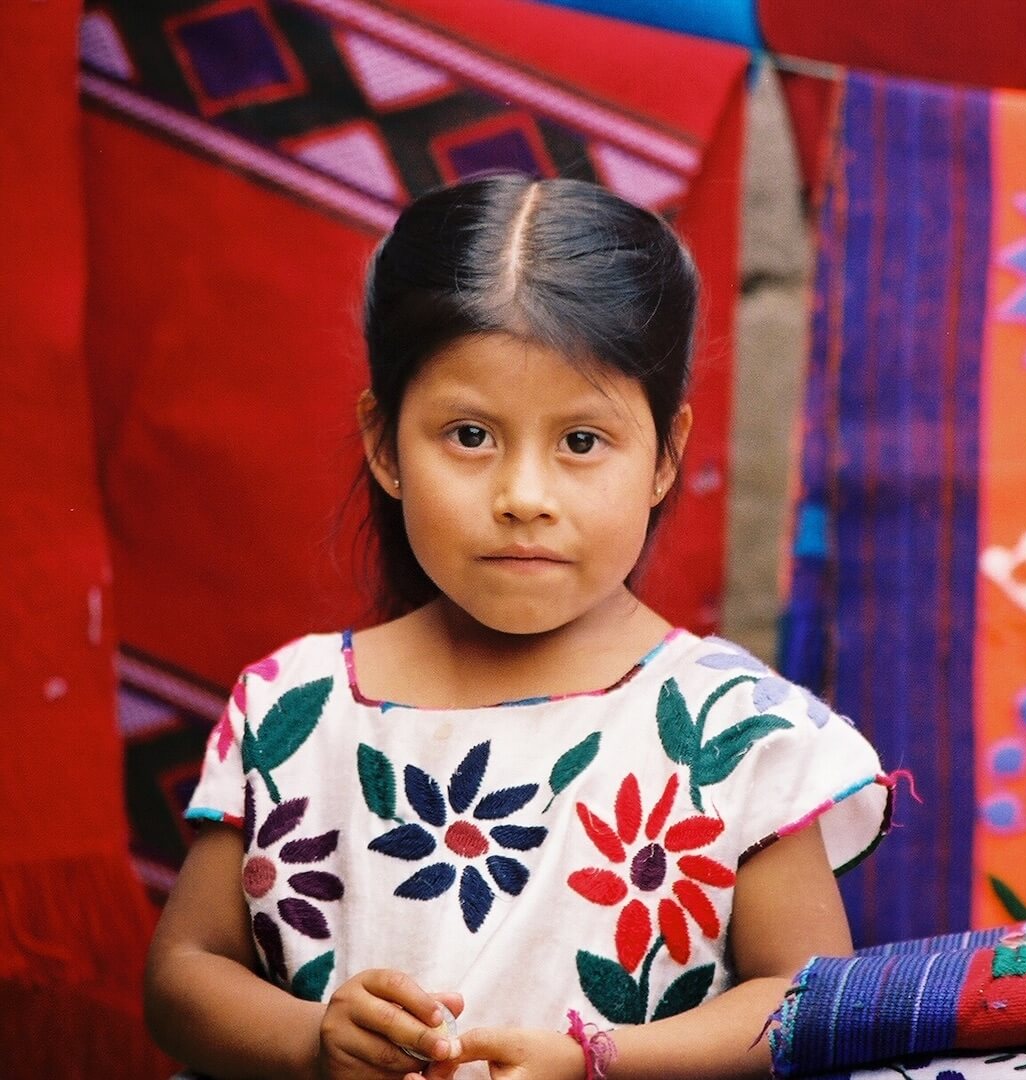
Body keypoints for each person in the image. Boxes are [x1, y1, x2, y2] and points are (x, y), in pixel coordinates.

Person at [144, 175, 892, 1080]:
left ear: (665, 457)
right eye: (469, 435)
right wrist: (312, 1039)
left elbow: (809, 1002)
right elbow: (183, 975)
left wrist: (597, 1061)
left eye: (581, 442)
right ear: (384, 445)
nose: (523, 498)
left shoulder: (732, 731)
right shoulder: (294, 709)